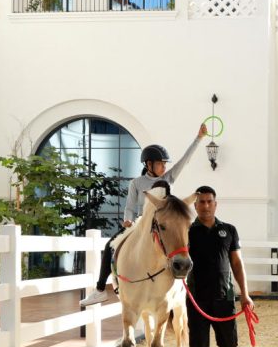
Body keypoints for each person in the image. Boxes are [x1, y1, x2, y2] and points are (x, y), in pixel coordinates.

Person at [80, 123, 207, 306]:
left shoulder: (168, 178)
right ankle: (100, 289)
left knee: (183, 245)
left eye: (164, 164)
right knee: (110, 245)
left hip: (163, 224)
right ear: (149, 164)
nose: (164, 167)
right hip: (140, 223)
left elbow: (184, 161)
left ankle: (188, 283)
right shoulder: (136, 183)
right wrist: (127, 220)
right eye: (160, 164)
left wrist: (199, 138)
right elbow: (130, 206)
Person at [185, 185, 254, 347]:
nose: (205, 205)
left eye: (209, 201)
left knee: (230, 345)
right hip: (197, 300)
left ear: (216, 204)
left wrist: (244, 294)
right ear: (195, 206)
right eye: (201, 202)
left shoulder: (229, 230)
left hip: (224, 298)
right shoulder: (187, 232)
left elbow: (236, 263)